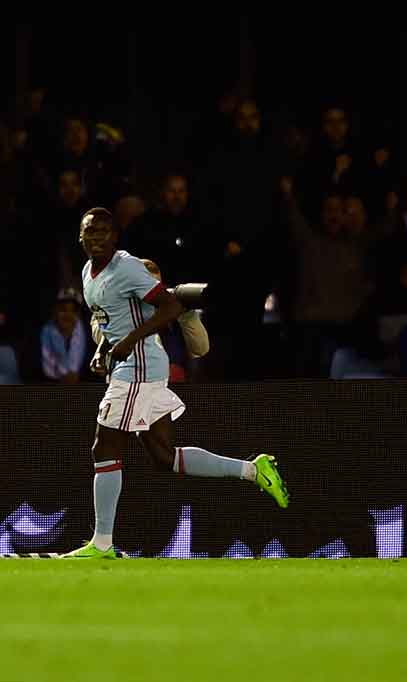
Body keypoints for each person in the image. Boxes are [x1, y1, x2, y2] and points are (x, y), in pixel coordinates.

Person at [61, 208, 289, 559]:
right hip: (134, 367)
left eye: (103, 231)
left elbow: (170, 306)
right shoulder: (88, 273)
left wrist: (127, 343)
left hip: (138, 369)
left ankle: (102, 543)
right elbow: (112, 320)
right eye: (90, 232)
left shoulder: (127, 268)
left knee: (104, 448)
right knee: (164, 456)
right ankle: (253, 470)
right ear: (80, 237)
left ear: (116, 236)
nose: (96, 238)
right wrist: (104, 350)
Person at [40, 287, 87, 383]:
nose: (68, 315)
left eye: (73, 310)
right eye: (63, 309)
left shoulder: (90, 339)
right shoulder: (43, 333)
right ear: (55, 311)